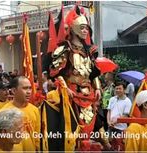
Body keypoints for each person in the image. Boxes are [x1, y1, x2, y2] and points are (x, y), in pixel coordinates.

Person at [41, 5, 102, 151]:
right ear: (73, 28)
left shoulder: (89, 51)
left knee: (92, 123)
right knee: (70, 125)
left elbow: (93, 72)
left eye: (86, 28)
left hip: (89, 93)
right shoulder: (65, 48)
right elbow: (56, 72)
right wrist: (65, 87)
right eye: (82, 28)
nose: (85, 31)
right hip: (71, 93)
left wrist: (98, 87)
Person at [0, 76, 40, 151]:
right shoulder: (5, 112)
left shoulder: (35, 110)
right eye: (25, 88)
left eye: (30, 88)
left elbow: (38, 135)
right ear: (14, 91)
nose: (28, 92)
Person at [107, 81, 132, 151]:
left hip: (121, 129)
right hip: (110, 127)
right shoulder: (112, 99)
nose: (117, 90)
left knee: (119, 148)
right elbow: (109, 111)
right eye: (116, 88)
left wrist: (114, 122)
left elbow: (125, 115)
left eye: (120, 88)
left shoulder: (128, 101)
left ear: (124, 90)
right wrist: (108, 122)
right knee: (109, 146)